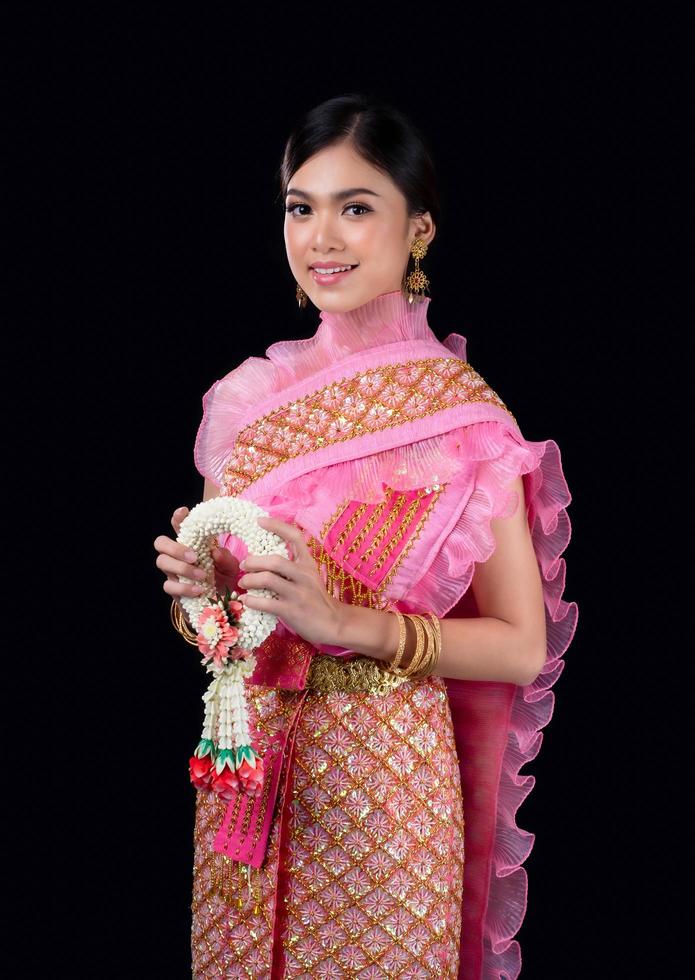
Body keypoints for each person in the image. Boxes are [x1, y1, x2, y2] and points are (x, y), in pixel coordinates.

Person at [153, 94, 578, 980]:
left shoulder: (463, 420)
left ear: (416, 229)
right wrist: (204, 601)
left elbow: (520, 644)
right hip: (250, 769)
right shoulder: (250, 405)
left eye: (356, 208)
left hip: (382, 784)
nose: (321, 238)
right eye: (300, 208)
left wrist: (349, 626)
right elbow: (223, 637)